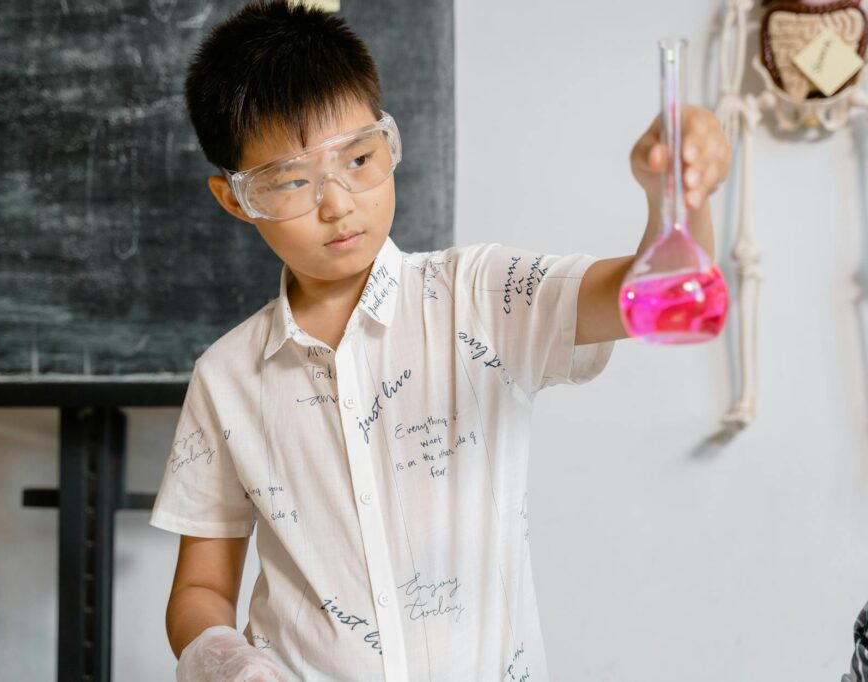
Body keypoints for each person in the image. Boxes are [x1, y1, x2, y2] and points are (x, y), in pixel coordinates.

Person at [148, 1, 731, 680]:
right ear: (234, 198)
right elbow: (199, 591)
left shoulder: (482, 297)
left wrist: (677, 200)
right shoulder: (227, 378)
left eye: (360, 159)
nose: (337, 204)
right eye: (292, 182)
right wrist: (228, 664)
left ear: (389, 142)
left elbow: (662, 301)